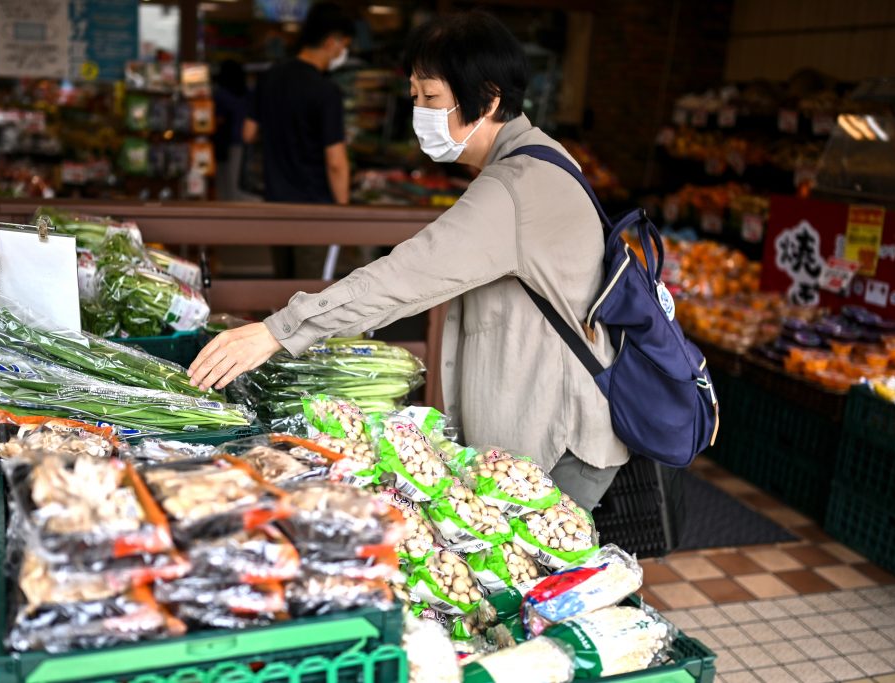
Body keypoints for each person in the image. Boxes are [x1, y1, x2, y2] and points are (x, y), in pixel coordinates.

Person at [189, 11, 627, 510]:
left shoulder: (515, 187)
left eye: (431, 97)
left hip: (554, 441)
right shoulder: (539, 158)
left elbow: (402, 276)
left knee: (538, 580)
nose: (419, 110)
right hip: (543, 430)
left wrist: (277, 331)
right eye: (414, 96)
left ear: (487, 97)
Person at [244, 2, 354, 278]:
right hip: (315, 209)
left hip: (275, 201)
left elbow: (248, 133)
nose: (344, 53)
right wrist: (344, 211)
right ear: (331, 42)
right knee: (311, 291)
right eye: (344, 45)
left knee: (282, 282)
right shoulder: (326, 92)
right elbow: (336, 162)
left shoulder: (269, 77)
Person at [213, 60, 251, 201]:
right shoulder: (248, 93)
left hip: (226, 144)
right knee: (238, 183)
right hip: (244, 143)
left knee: (225, 184)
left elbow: (218, 120)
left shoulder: (221, 95)